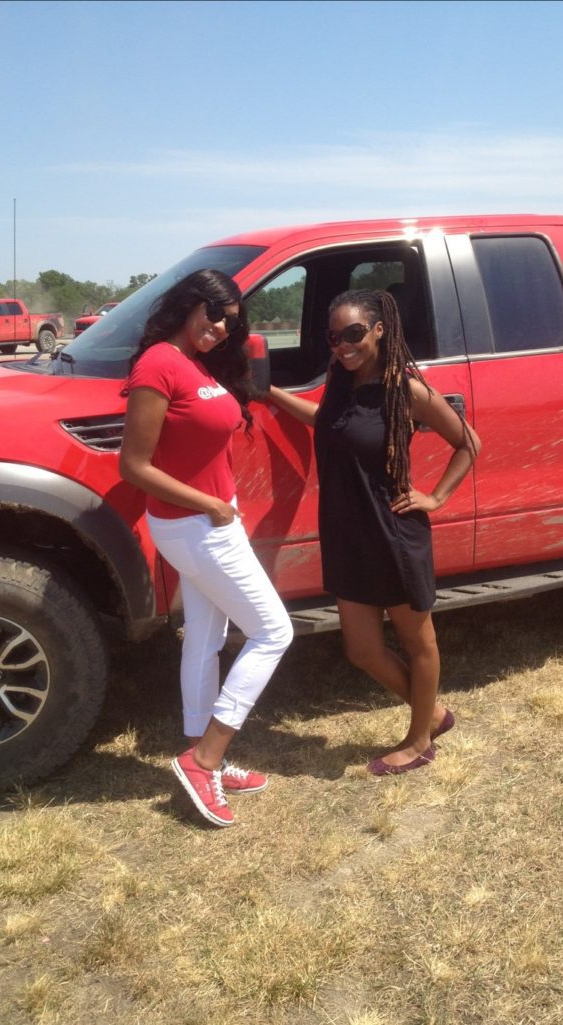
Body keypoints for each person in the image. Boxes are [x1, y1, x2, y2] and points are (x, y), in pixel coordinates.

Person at [263, 288, 480, 775]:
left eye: (354, 334)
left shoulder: (405, 389)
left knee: (418, 642)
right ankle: (434, 714)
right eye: (335, 337)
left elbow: (468, 443)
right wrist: (268, 393)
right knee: (361, 650)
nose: (344, 345)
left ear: (379, 330)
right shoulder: (340, 381)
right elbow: (326, 421)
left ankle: (420, 741)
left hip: (392, 533)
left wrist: (435, 497)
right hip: (347, 535)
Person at [120, 269, 293, 827]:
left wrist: (221, 503)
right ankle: (206, 758)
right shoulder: (159, 364)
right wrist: (211, 505)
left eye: (229, 323)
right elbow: (134, 465)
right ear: (189, 304)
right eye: (213, 314)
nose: (219, 329)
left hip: (209, 519)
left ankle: (201, 753)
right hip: (197, 524)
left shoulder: (195, 362)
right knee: (274, 632)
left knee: (205, 635)